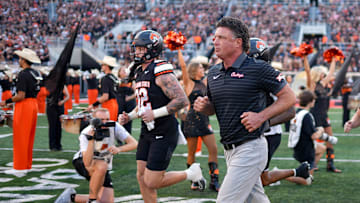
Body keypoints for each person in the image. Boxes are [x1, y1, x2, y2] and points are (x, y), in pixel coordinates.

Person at [193, 17, 296, 202]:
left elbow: (289, 97)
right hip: (229, 148)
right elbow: (214, 109)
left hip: (251, 147)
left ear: (237, 42)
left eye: (221, 37)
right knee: (256, 199)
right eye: (215, 37)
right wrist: (205, 107)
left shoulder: (258, 68)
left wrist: (261, 117)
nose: (214, 41)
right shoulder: (214, 73)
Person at [119, 30, 206, 202]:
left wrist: (156, 114)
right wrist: (129, 116)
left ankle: (191, 173)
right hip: (147, 130)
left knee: (152, 180)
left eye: (141, 49)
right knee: (141, 176)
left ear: (152, 50)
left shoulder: (160, 70)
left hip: (164, 130)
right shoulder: (139, 71)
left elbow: (181, 100)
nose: (137, 52)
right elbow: (145, 105)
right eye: (136, 48)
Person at [247, 38, 310, 186]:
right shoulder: (245, 75)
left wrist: (264, 122)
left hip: (267, 134)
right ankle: (298, 172)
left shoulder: (269, 75)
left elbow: (290, 111)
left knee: (255, 180)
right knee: (259, 179)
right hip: (251, 132)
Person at [55, 108, 138, 203]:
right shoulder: (86, 133)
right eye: (101, 120)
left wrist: (119, 149)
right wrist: (91, 140)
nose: (105, 122)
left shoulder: (114, 126)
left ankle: (71, 197)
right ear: (93, 120)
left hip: (102, 165)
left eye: (107, 119)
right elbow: (86, 162)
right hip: (83, 161)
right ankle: (92, 200)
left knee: (106, 201)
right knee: (101, 165)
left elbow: (134, 143)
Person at [178, 49, 220, 191]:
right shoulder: (189, 83)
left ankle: (214, 181)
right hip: (192, 121)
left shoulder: (205, 81)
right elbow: (183, 66)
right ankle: (194, 180)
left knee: (213, 149)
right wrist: (178, 49)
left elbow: (217, 66)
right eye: (201, 68)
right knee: (191, 153)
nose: (203, 69)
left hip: (204, 119)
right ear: (195, 70)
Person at [0, 48, 42, 176]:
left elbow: (20, 95)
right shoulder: (35, 72)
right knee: (29, 136)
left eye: (20, 58)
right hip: (33, 104)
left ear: (24, 60)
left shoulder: (23, 74)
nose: (19, 60)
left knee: (20, 136)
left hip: (24, 105)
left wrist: (6, 101)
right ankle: (27, 164)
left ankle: (19, 166)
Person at [287, 90, 337, 185]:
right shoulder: (306, 115)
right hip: (305, 149)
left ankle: (308, 170)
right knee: (307, 182)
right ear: (310, 102)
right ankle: (278, 175)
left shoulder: (297, 113)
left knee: (322, 148)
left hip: (298, 144)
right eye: (313, 100)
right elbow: (314, 136)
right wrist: (321, 130)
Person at [303, 55, 342, 173]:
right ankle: (311, 164)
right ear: (318, 73)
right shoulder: (312, 85)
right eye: (322, 73)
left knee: (330, 140)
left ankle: (330, 165)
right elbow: (308, 72)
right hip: (315, 116)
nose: (324, 75)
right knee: (314, 143)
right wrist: (305, 58)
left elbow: (331, 73)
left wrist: (334, 60)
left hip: (324, 116)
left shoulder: (324, 83)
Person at [87, 56, 119, 121]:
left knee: (107, 126)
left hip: (109, 105)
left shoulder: (105, 79)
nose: (101, 66)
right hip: (115, 104)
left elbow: (105, 97)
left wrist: (93, 105)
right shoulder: (114, 77)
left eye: (103, 64)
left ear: (107, 66)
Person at [46, 85, 69, 151]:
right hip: (51, 106)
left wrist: (62, 101)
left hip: (60, 106)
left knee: (59, 126)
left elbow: (68, 96)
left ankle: (58, 145)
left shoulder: (62, 85)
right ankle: (52, 145)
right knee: (52, 126)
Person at [116, 65, 136, 133]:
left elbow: (136, 92)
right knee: (119, 121)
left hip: (129, 103)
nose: (125, 72)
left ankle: (128, 139)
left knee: (128, 122)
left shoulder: (131, 81)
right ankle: (119, 140)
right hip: (119, 103)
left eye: (125, 70)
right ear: (119, 73)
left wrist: (129, 98)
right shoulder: (116, 80)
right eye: (123, 71)